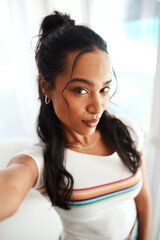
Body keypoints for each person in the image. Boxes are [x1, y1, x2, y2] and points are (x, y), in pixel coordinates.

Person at [0, 11, 151, 240]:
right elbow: (10, 186)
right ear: (45, 85)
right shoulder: (42, 161)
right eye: (81, 90)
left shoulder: (127, 132)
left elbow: (143, 200)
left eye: (105, 89)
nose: (97, 106)